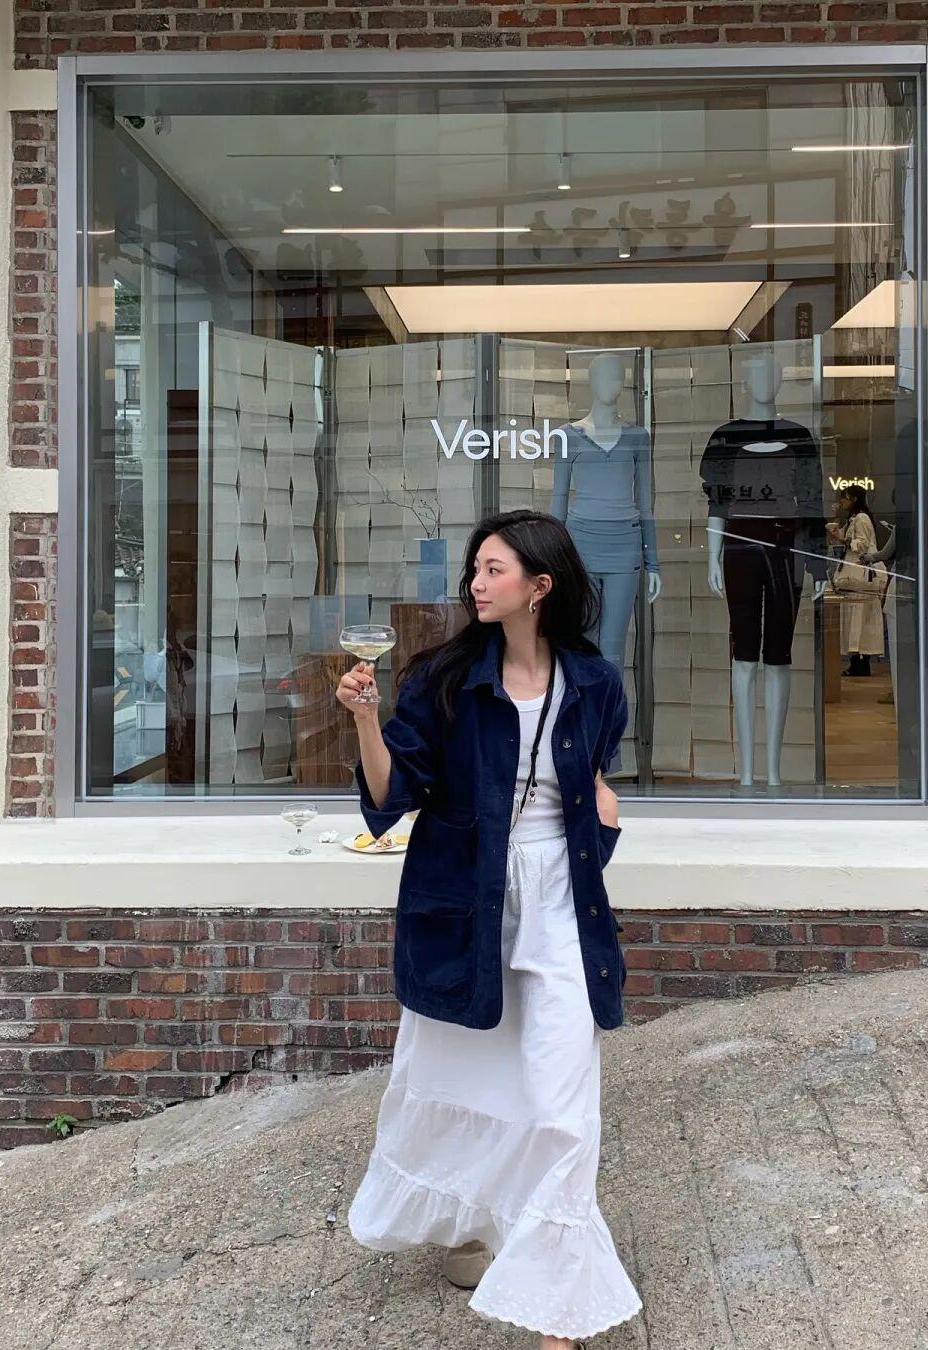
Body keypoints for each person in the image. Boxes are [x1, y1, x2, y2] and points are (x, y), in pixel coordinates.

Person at [336, 508, 642, 1349]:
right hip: (465, 894)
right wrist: (364, 719)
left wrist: (604, 820)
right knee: (460, 1078)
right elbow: (393, 798)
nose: (476, 582)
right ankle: (477, 1224)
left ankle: (554, 1309)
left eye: (494, 569)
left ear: (540, 586)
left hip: (562, 897)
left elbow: (595, 776)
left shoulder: (594, 680)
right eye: (475, 568)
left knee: (562, 1100)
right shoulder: (443, 677)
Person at [827, 484, 885, 677]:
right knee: (858, 619)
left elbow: (861, 545)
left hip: (859, 574)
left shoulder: (861, 519)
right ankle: (858, 661)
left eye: (845, 497)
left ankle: (860, 661)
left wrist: (843, 540)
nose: (842, 501)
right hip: (856, 574)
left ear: (854, 499)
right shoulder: (855, 519)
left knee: (859, 618)